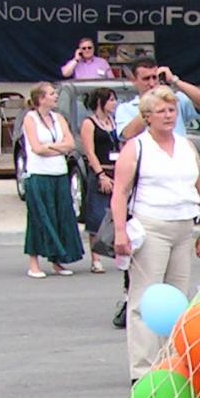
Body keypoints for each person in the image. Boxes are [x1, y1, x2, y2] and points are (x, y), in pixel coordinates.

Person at [112, 86, 200, 381]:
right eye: (161, 111)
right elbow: (120, 191)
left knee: (176, 299)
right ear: (147, 117)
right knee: (145, 298)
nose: (169, 116)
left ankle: (171, 363)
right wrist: (121, 231)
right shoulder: (137, 147)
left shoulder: (186, 146)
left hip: (184, 225)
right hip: (151, 225)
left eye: (172, 110)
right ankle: (143, 369)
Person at [21, 82, 84, 279]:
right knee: (39, 217)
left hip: (58, 172)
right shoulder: (30, 118)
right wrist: (59, 148)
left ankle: (57, 260)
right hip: (38, 174)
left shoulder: (58, 118)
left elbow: (71, 144)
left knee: (60, 216)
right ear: (41, 99)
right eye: (51, 93)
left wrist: (52, 147)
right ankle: (34, 263)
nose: (55, 96)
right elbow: (36, 148)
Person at [77, 85, 119, 275]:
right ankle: (96, 258)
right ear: (101, 102)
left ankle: (117, 251)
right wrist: (100, 174)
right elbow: (90, 151)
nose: (114, 104)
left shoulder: (114, 122)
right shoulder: (89, 123)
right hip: (101, 170)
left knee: (118, 213)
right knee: (97, 214)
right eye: (110, 100)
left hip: (116, 170)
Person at [116, 57, 200, 140]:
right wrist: (149, 105)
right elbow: (127, 134)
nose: (152, 83)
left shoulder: (174, 99)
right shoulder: (125, 108)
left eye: (155, 77)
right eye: (146, 79)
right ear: (134, 81)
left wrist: (174, 80)